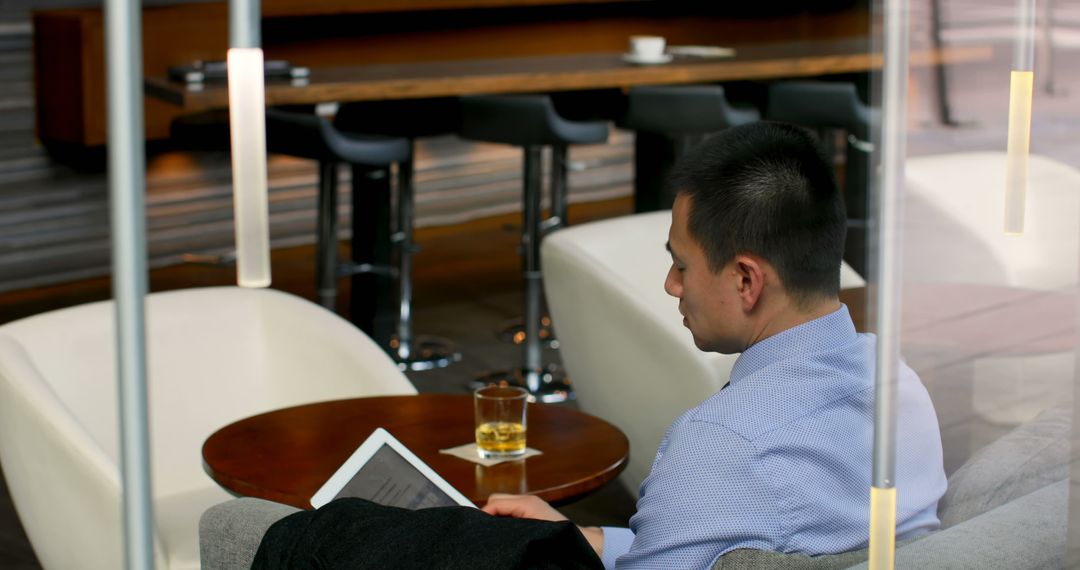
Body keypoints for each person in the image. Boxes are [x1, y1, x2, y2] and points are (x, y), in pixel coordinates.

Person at [483, 121, 947, 568]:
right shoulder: (898, 382)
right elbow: (771, 546)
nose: (670, 285)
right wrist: (586, 541)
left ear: (746, 279)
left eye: (681, 266)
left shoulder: (724, 441)